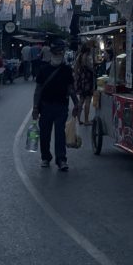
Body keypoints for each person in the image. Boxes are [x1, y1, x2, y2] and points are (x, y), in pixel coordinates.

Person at [32, 39, 79, 171]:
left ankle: (61, 159)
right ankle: (45, 158)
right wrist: (35, 107)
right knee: (45, 134)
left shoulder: (67, 70)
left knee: (60, 134)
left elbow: (70, 88)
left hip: (61, 106)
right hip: (45, 106)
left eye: (61, 52)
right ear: (52, 53)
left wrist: (76, 103)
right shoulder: (43, 69)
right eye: (57, 52)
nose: (60, 54)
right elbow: (38, 90)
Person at [74, 42, 95, 125]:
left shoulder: (79, 57)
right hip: (88, 80)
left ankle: (78, 119)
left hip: (81, 80)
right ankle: (86, 120)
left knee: (81, 100)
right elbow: (91, 67)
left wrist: (77, 79)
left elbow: (75, 69)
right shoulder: (87, 57)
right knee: (88, 100)